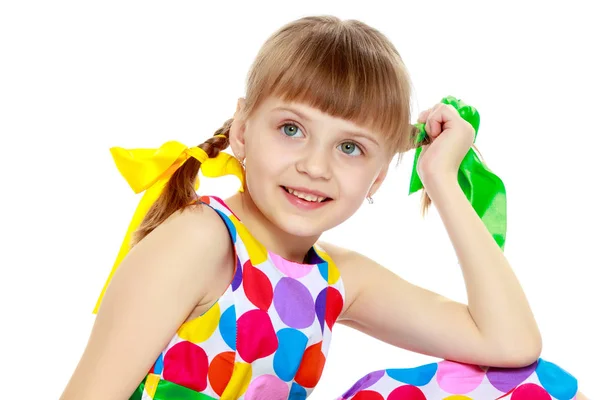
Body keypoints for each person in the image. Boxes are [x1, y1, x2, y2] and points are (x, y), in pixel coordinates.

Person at [60, 15, 587, 400]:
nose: (316, 166)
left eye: (350, 147)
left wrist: (441, 179)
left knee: (536, 385)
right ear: (242, 130)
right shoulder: (200, 240)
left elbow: (511, 343)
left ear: (379, 175)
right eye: (292, 129)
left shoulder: (339, 278)